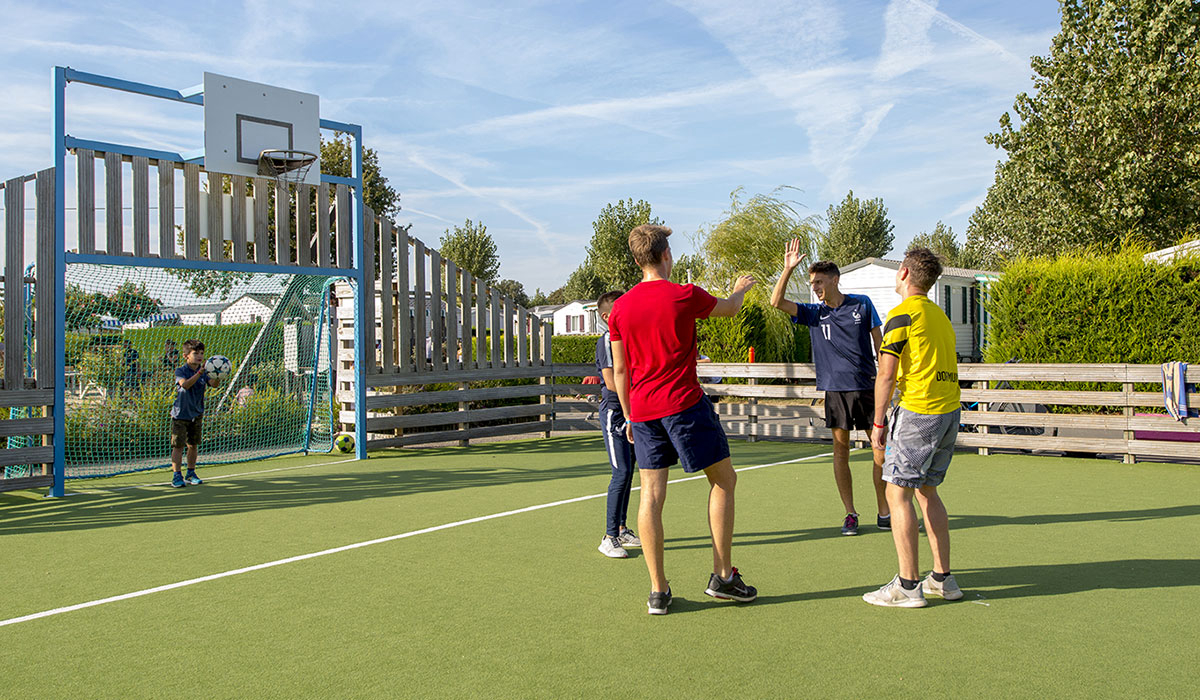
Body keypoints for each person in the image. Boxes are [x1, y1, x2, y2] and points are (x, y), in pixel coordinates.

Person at [608, 224, 758, 615]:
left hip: (642, 411)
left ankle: (658, 591)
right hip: (684, 405)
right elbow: (731, 308)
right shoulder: (683, 295)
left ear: (638, 258)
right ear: (666, 255)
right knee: (724, 481)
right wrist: (741, 288)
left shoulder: (620, 307)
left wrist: (628, 413)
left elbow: (620, 371)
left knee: (651, 496)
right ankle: (723, 577)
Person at [862, 248, 963, 608]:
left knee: (897, 493)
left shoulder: (902, 314)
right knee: (927, 492)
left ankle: (907, 586)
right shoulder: (940, 316)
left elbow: (886, 373)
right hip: (950, 412)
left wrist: (877, 422)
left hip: (920, 411)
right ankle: (942, 579)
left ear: (904, 273)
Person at [769, 239, 886, 536]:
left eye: (820, 282)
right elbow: (776, 302)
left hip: (867, 389)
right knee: (840, 450)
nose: (816, 287)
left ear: (835, 280)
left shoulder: (862, 304)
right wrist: (787, 269)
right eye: (812, 283)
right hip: (835, 391)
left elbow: (881, 345)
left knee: (880, 450)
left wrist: (887, 380)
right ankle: (850, 513)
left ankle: (885, 510)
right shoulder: (814, 313)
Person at [594, 290, 642, 559]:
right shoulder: (606, 341)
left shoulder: (628, 338)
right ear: (606, 316)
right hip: (615, 412)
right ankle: (609, 536)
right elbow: (613, 381)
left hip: (631, 411)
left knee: (629, 471)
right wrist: (628, 411)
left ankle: (622, 528)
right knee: (621, 472)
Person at [170, 339, 220, 488]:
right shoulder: (181, 371)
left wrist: (219, 374)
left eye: (202, 353)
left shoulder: (205, 372)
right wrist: (200, 373)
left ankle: (191, 473)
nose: (199, 356)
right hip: (180, 415)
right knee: (178, 446)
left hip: (196, 414)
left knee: (193, 445)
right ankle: (176, 476)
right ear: (186, 356)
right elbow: (185, 385)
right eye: (195, 353)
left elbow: (214, 384)